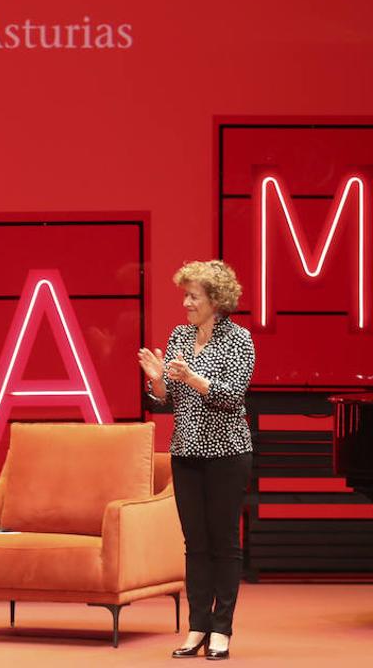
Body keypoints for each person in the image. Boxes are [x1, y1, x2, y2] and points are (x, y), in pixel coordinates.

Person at [138, 260, 254, 661]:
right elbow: (164, 399)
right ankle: (197, 626)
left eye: (193, 296)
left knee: (223, 544)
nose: (186, 303)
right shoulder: (179, 337)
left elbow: (231, 396)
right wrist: (157, 378)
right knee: (195, 545)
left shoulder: (239, 339)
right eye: (185, 295)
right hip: (186, 453)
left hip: (227, 454)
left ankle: (222, 629)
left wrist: (193, 379)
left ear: (216, 301)